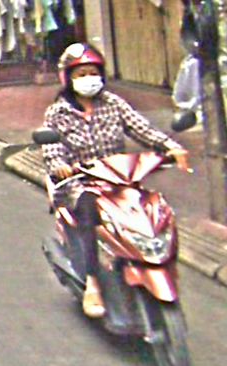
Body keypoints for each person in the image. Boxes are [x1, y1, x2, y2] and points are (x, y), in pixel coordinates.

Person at [42, 42, 189, 318]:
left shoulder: (113, 103)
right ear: (68, 78)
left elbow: (142, 129)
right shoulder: (57, 113)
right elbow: (52, 150)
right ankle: (93, 283)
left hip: (119, 179)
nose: (89, 78)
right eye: (81, 74)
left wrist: (171, 147)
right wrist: (60, 166)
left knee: (153, 207)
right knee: (89, 208)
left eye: (93, 72)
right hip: (81, 183)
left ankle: (153, 262)